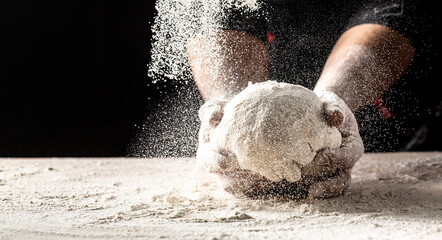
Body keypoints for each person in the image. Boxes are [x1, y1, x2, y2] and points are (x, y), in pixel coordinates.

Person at [185, 0, 439, 198]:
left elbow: (399, 10)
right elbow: (216, 9)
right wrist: (228, 112)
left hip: (398, 131)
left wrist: (332, 101)